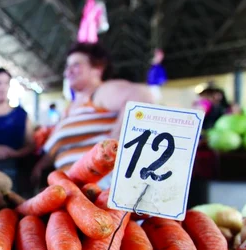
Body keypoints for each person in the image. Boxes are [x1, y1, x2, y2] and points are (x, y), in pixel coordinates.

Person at [32, 43, 154, 186]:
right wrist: (39, 167)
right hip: (69, 192)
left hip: (100, 187)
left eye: (76, 65)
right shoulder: (70, 109)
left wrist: (117, 140)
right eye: (67, 66)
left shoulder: (99, 93)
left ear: (98, 69)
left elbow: (140, 95)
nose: (68, 71)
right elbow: (60, 146)